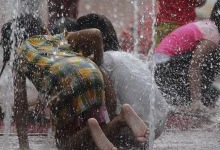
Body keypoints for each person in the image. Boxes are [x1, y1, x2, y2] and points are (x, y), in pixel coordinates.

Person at [4, 17, 149, 150]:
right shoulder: (55, 39)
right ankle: (121, 117)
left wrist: (24, 146)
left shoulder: (19, 56)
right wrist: (97, 64)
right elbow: (96, 34)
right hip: (94, 75)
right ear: (43, 30)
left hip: (66, 84)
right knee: (100, 130)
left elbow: (20, 105)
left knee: (63, 145)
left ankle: (107, 124)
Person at [70, 13, 169, 142]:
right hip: (158, 121)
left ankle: (122, 119)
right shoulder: (127, 57)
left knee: (77, 142)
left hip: (137, 124)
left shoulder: (102, 62)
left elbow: (107, 105)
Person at [153, 19, 220, 111]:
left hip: (161, 64)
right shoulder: (214, 34)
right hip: (165, 67)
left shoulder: (208, 25)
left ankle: (190, 105)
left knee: (212, 91)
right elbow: (195, 66)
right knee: (210, 64)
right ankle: (194, 106)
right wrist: (196, 101)